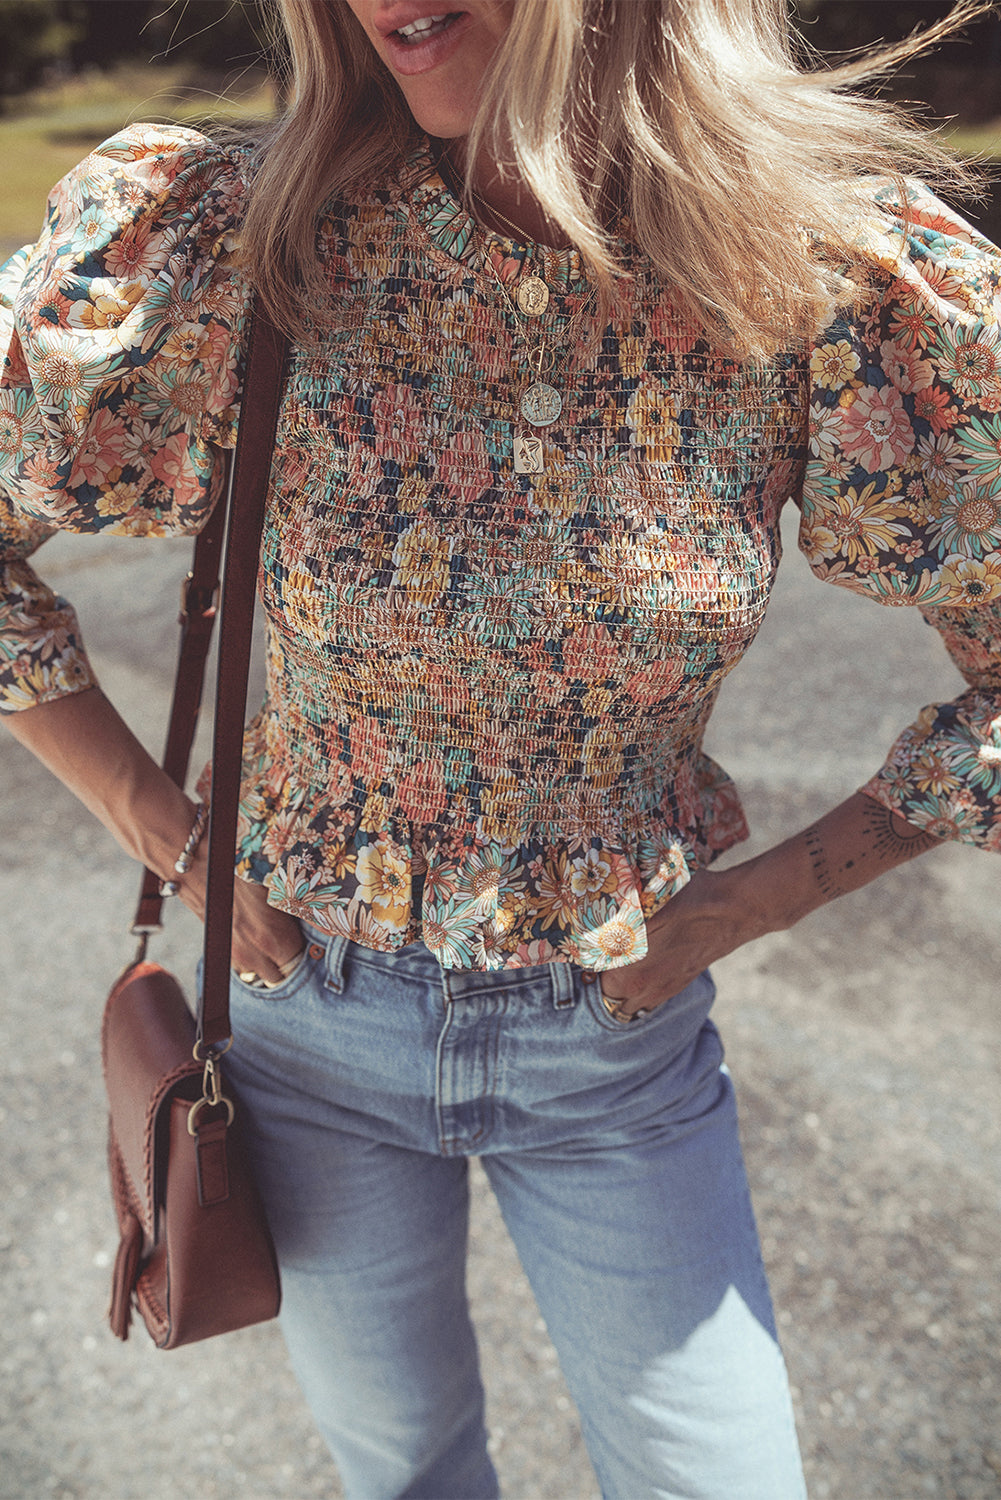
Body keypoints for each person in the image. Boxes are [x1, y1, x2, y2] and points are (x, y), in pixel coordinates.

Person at [2, 1, 999, 1495]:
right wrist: (169, 834)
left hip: (616, 1051)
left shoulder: (822, 277)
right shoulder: (236, 239)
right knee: (402, 1468)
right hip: (300, 1024)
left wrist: (750, 903)